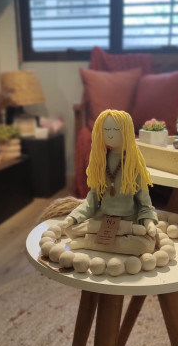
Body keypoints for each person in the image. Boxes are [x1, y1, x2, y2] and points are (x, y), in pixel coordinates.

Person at [61, 109, 158, 255]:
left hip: (129, 218)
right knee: (70, 230)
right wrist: (74, 217)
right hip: (103, 218)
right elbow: (92, 199)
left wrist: (148, 221)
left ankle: (89, 242)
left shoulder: (133, 163)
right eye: (106, 129)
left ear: (126, 130)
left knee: (146, 246)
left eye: (116, 129)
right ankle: (124, 233)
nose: (110, 134)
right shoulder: (100, 161)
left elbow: (144, 201)